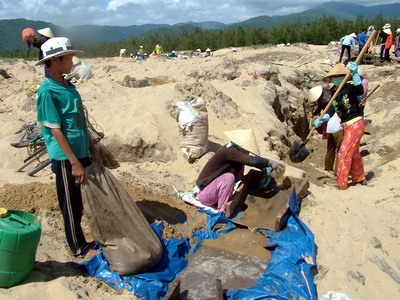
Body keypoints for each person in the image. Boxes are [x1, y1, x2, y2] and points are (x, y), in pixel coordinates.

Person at [36, 37, 102, 259]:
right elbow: (55, 129)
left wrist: (93, 148)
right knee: (71, 203)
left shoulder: (68, 86)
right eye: (68, 58)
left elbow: (80, 121)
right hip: (66, 158)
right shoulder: (47, 91)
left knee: (82, 200)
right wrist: (73, 162)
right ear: (55, 61)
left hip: (81, 149)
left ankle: (85, 240)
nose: (72, 61)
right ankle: (78, 247)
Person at [194, 129, 286, 212]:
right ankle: (222, 209)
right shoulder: (228, 150)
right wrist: (270, 162)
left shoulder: (235, 153)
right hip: (205, 194)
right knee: (229, 177)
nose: (248, 152)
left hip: (215, 190)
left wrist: (264, 169)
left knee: (241, 171)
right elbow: (251, 160)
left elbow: (251, 160)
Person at [322, 63, 367, 189]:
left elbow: (360, 90)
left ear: (343, 76)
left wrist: (356, 74)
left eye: (337, 76)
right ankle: (359, 177)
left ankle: (341, 183)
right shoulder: (335, 93)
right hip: (346, 125)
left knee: (343, 153)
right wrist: (324, 118)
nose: (334, 79)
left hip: (355, 123)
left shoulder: (350, 88)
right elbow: (333, 109)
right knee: (354, 153)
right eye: (333, 77)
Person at [309, 85, 343, 175]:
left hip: (329, 129)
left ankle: (328, 167)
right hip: (338, 128)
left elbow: (327, 112)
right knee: (340, 150)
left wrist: (321, 119)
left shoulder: (327, 101)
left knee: (330, 149)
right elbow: (330, 111)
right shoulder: (334, 102)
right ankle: (337, 172)